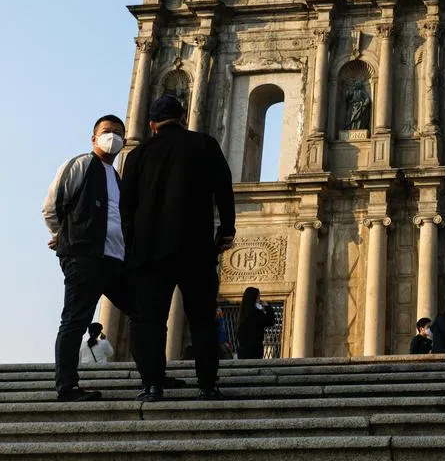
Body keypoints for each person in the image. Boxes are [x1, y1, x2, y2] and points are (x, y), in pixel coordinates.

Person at [120, 95, 235, 402]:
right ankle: (207, 384)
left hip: (149, 251)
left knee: (151, 320)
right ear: (183, 117)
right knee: (202, 319)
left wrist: (130, 248)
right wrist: (226, 230)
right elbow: (224, 189)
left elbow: (125, 208)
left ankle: (153, 385)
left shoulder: (137, 155)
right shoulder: (204, 145)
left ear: (151, 124)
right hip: (195, 248)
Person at [42, 113, 132, 401]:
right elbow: (52, 207)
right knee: (75, 320)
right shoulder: (80, 165)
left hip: (114, 260)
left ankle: (154, 374)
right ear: (94, 137)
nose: (113, 137)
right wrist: (65, 236)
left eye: (118, 133)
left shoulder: (117, 178)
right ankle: (66, 386)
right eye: (107, 131)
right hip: (84, 257)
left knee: (142, 311)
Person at [236, 286, 276, 360]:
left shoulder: (242, 314)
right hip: (254, 351)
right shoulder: (256, 313)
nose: (259, 300)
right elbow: (270, 321)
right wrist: (267, 307)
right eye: (258, 298)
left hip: (243, 352)